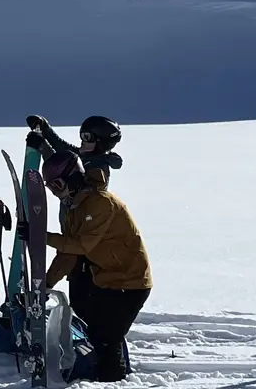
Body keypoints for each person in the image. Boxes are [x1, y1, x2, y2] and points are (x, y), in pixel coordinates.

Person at [37, 146, 151, 382]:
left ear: (73, 177)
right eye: (51, 188)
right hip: (106, 276)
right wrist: (46, 283)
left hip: (129, 281)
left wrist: (40, 235)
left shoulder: (100, 203)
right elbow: (68, 252)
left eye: (57, 185)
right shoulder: (74, 208)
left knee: (107, 337)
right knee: (96, 331)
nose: (56, 193)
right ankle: (101, 372)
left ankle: (111, 380)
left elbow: (81, 246)